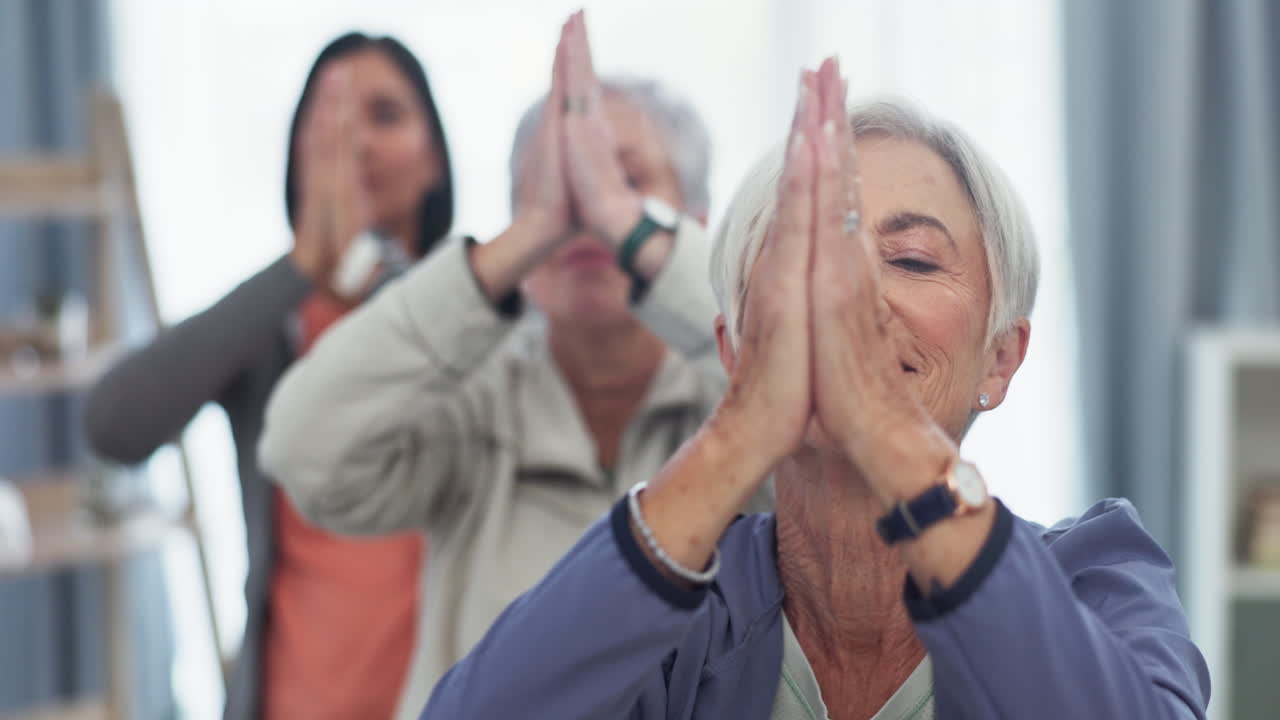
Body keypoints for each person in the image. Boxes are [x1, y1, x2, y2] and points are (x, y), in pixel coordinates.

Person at [419, 58, 1212, 719]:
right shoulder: (674, 608)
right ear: (735, 350)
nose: (849, 299)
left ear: (1000, 360)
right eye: (804, 263)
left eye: (912, 260)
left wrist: (886, 429)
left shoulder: (1098, 574)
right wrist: (736, 435)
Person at [258, 12, 770, 720]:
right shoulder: (477, 398)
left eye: (627, 183)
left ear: (697, 222)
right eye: (563, 186)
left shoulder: (755, 405)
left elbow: (843, 433)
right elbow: (301, 446)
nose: (591, 213)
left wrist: (627, 225)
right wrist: (528, 233)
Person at [83, 32, 454, 720]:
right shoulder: (269, 331)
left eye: (385, 115)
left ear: (434, 159)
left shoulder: (476, 325)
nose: (356, 143)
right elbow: (113, 424)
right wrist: (300, 269)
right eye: (330, 117)